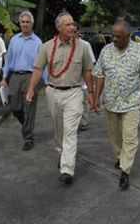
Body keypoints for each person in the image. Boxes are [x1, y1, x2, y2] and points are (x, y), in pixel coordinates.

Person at [26, 11, 94, 185]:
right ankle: (63, 153)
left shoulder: (83, 47)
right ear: (59, 28)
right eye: (68, 25)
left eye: (73, 24)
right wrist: (31, 89)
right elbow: (38, 69)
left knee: (70, 131)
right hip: (53, 91)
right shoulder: (47, 46)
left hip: (74, 92)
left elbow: (87, 71)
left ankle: (67, 169)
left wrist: (92, 94)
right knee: (59, 130)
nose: (73, 27)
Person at [93, 20, 140, 190]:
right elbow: (100, 76)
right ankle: (120, 156)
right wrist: (96, 97)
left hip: (133, 102)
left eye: (117, 36)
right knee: (114, 135)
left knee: (130, 137)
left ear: (127, 36)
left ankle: (125, 171)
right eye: (112, 35)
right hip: (111, 102)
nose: (113, 39)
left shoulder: (139, 51)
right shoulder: (106, 51)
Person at [0, 11, 45, 151]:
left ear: (32, 24)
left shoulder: (38, 42)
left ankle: (28, 137)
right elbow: (8, 61)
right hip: (15, 76)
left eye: (28, 22)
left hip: (31, 77)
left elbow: (43, 64)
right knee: (14, 106)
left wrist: (45, 82)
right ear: (19, 24)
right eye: (23, 22)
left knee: (29, 106)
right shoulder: (14, 40)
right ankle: (27, 125)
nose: (25, 24)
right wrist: (4, 78)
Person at [74, 23, 96, 131]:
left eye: (74, 31)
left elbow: (91, 64)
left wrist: (90, 84)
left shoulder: (85, 45)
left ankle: (84, 121)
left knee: (83, 102)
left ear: (78, 32)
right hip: (71, 82)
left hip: (83, 80)